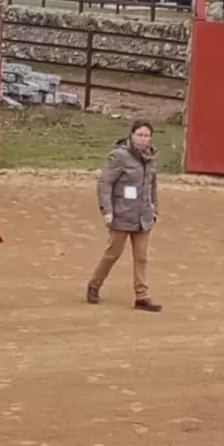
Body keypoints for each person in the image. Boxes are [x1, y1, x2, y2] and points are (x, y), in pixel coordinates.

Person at [89, 120, 162, 313]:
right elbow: (105, 184)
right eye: (140, 135)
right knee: (113, 254)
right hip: (121, 215)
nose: (143, 139)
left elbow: (152, 187)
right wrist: (107, 210)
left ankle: (141, 296)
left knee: (141, 258)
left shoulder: (150, 158)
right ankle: (94, 285)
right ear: (131, 135)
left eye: (146, 135)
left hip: (143, 217)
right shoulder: (119, 157)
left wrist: (155, 210)